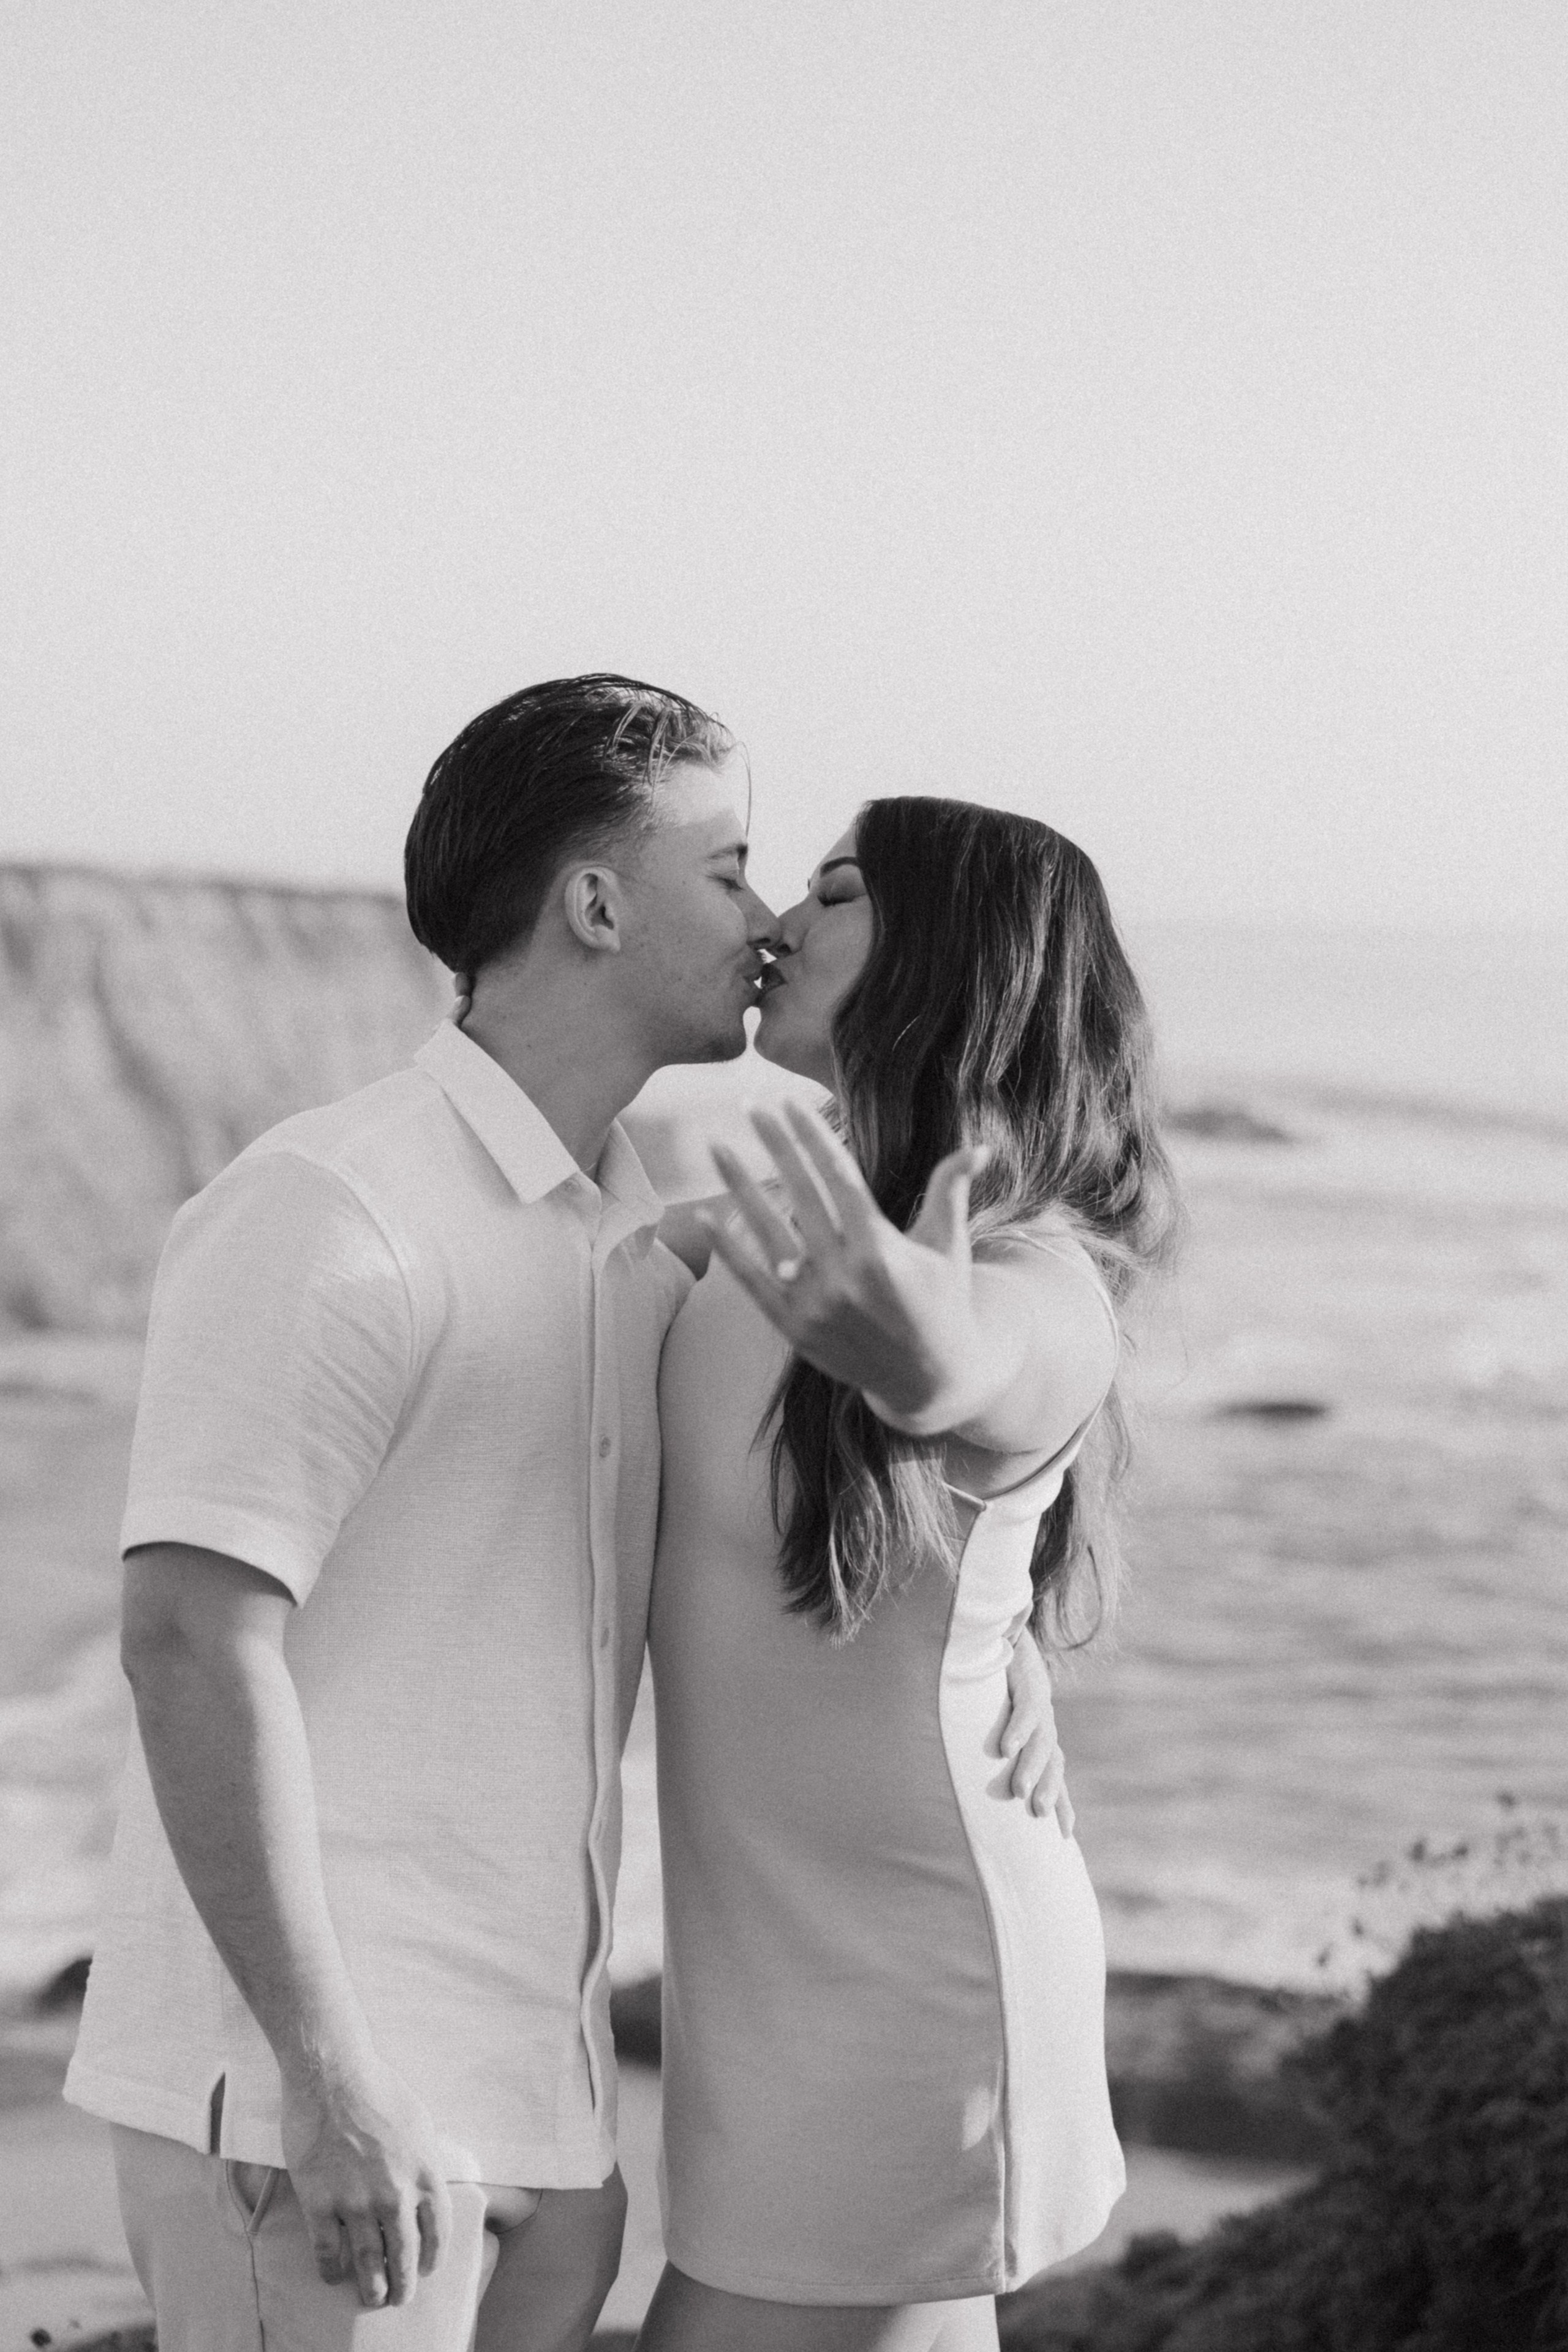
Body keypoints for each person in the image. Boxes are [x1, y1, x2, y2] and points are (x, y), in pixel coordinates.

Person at [64, 674, 781, 2352]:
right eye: (730, 865)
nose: (762, 916)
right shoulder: (335, 1205)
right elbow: (188, 1642)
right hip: (320, 2117)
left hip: (528, 2106)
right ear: (594, 902)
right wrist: (329, 2085)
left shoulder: (620, 1238)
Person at [638, 796, 1177, 2352]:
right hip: (765, 1981)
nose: (782, 925)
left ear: (959, 959)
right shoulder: (777, 1237)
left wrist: (921, 1357)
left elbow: (988, 1371)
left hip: (909, 1988)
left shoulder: (1029, 1275)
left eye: (842, 891)